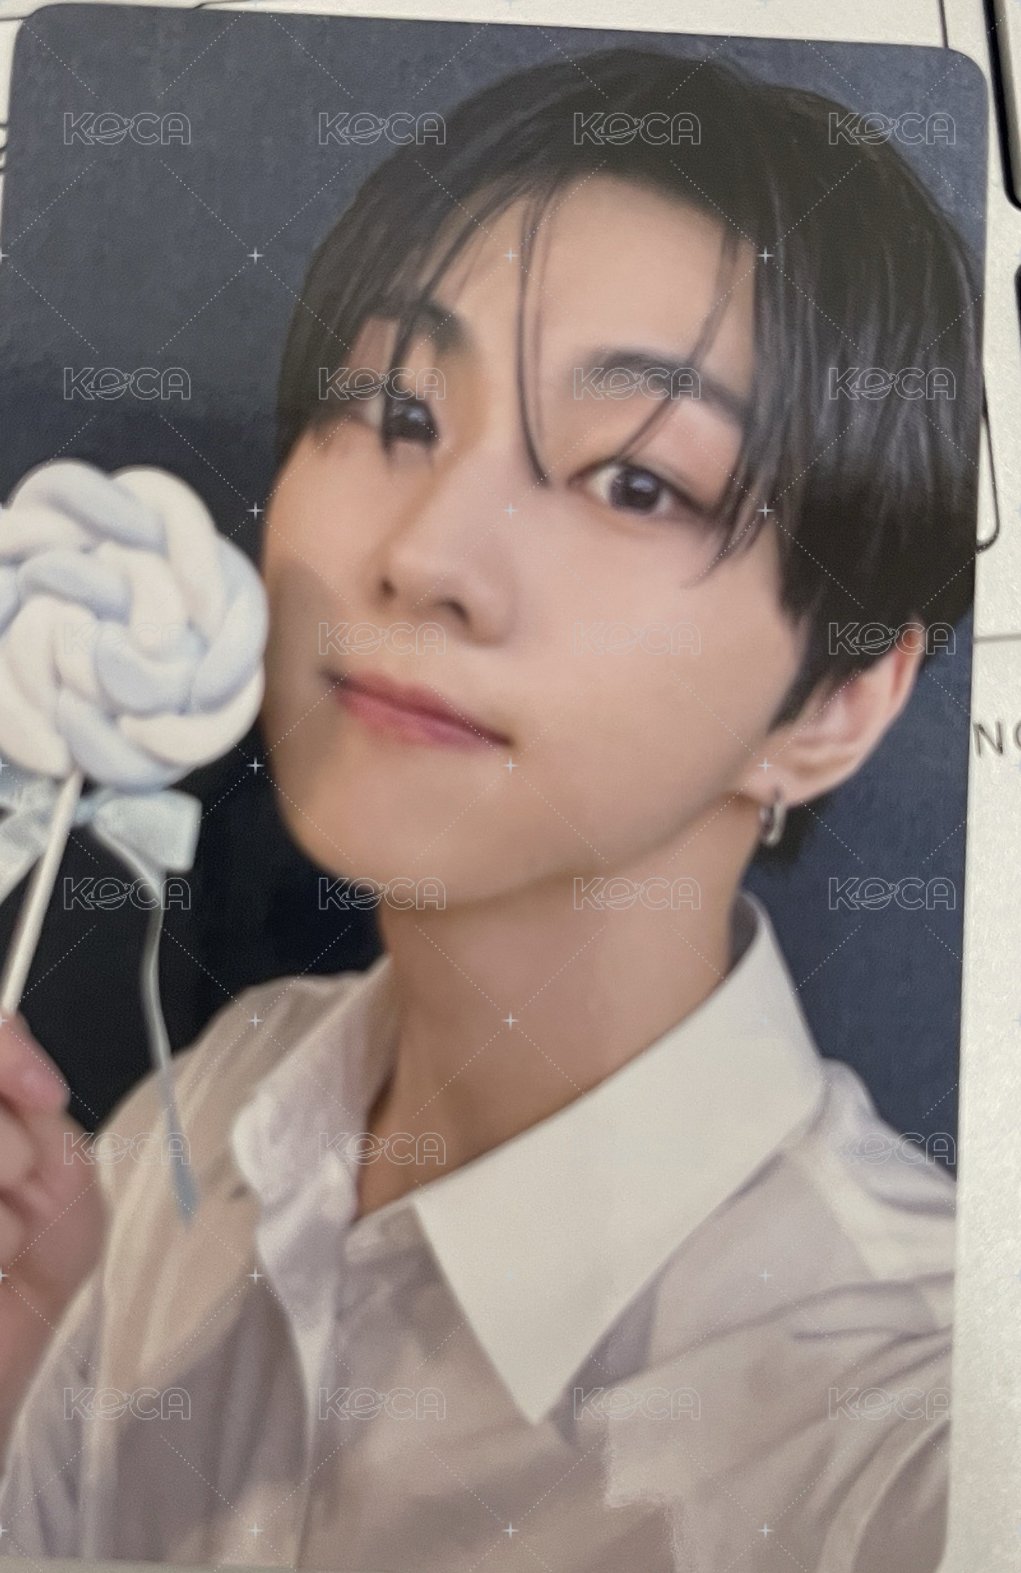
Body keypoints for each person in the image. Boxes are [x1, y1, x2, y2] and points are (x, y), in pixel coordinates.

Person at [0, 46, 979, 1572]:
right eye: (393, 406)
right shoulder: (206, 1117)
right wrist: (39, 1368)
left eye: (635, 482)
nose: (425, 554)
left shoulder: (912, 1439)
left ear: (836, 699)